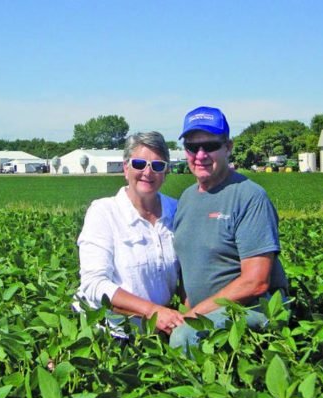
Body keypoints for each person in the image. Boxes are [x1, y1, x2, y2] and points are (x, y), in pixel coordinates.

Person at [170, 106, 289, 350]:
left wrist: (194, 316)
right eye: (193, 147)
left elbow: (256, 282)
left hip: (252, 309)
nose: (200, 155)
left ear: (228, 147)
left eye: (211, 146)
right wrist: (187, 310)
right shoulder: (186, 199)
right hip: (207, 312)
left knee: (184, 337)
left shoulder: (249, 196)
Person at [74, 131, 185, 337]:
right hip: (109, 333)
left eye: (158, 166)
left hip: (158, 332)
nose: (148, 172)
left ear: (165, 173)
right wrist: (153, 312)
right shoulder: (104, 212)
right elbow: (94, 284)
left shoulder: (177, 210)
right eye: (139, 164)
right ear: (126, 168)